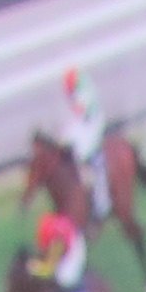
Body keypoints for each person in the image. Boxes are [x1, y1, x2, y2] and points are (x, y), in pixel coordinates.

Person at [57, 68, 109, 218]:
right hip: (83, 121)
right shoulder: (81, 88)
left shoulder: (83, 93)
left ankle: (101, 201)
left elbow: (80, 111)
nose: (67, 91)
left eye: (69, 88)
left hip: (93, 122)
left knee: (84, 153)